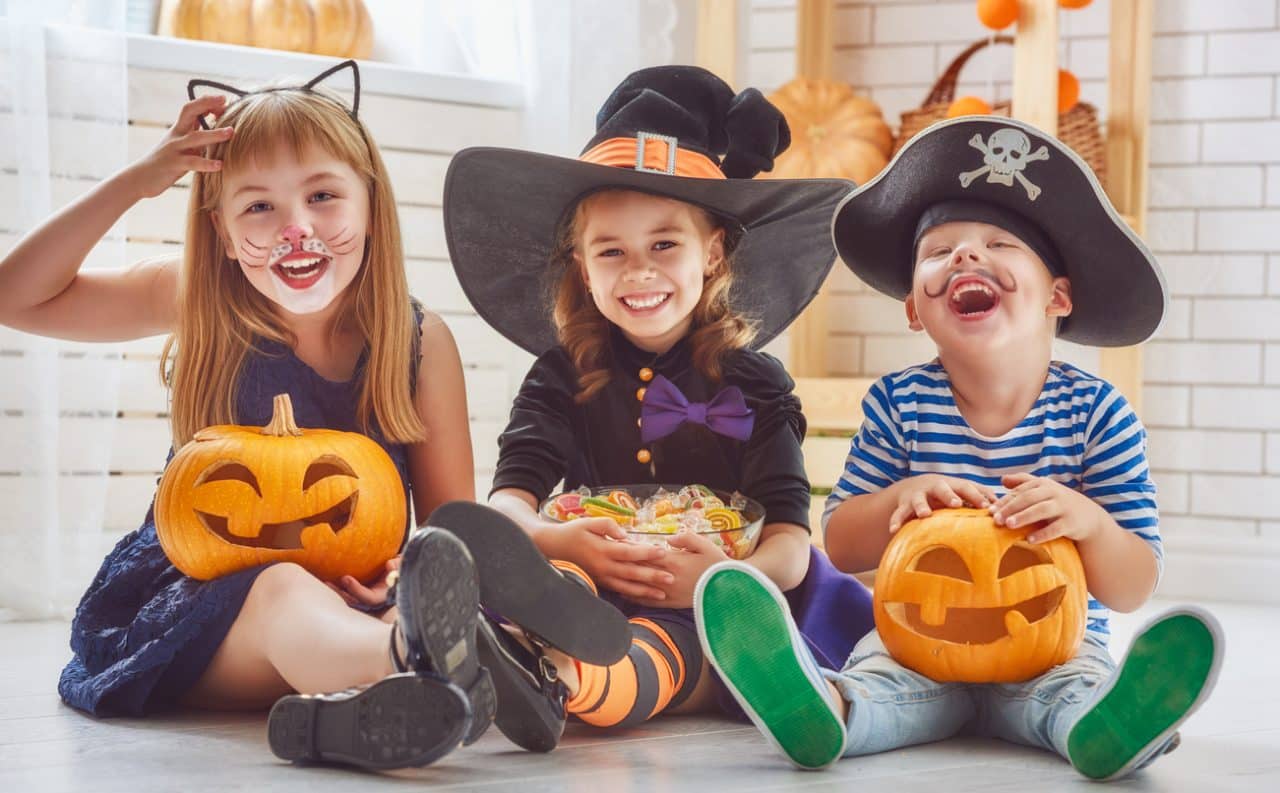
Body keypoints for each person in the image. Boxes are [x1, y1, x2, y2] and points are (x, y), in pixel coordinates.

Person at [0, 60, 623, 771]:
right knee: (284, 588)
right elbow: (15, 295)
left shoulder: (417, 342)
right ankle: (419, 659)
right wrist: (138, 182)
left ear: (370, 202)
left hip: (356, 604)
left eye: (323, 196)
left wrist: (404, 576)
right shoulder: (201, 299)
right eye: (259, 207)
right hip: (203, 617)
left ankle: (381, 700)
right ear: (225, 234)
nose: (296, 229)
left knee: (445, 589)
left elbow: (450, 524)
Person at [694, 116, 1224, 780]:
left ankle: (1112, 724)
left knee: (1069, 694)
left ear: (1057, 296)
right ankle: (822, 707)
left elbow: (1133, 584)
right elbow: (846, 542)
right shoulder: (900, 405)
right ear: (915, 306)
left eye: (999, 243)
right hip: (917, 647)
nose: (966, 257)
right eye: (939, 251)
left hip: (1051, 653)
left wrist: (1087, 521)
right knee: (880, 682)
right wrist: (899, 497)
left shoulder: (1100, 415)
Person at [441, 65, 875, 746]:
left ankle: (567, 681)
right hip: (587, 576)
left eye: (664, 244)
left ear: (713, 252)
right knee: (545, 580)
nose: (638, 271)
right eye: (611, 250)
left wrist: (723, 579)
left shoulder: (756, 385)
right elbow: (510, 504)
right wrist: (557, 536)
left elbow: (791, 545)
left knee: (671, 644)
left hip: (711, 602)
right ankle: (504, 655)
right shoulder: (561, 374)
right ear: (582, 267)